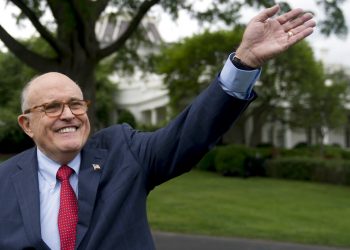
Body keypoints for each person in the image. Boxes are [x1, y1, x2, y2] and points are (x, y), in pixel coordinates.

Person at [0, 5, 315, 250]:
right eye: (52, 107)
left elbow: (190, 133)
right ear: (26, 124)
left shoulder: (124, 151)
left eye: (76, 104)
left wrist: (244, 62)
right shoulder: (4, 181)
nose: (68, 114)